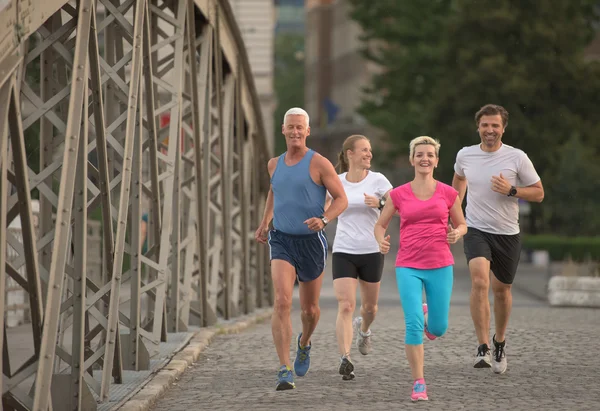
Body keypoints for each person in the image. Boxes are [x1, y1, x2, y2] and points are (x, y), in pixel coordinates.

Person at [254, 107, 348, 391]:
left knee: (310, 310)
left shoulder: (319, 163)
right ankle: (284, 369)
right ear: (283, 130)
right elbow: (275, 190)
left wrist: (324, 219)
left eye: (300, 128)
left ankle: (304, 342)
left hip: (311, 242)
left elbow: (341, 198)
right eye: (290, 127)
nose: (295, 132)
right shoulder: (274, 164)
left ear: (307, 132)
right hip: (282, 239)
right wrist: (265, 221)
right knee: (282, 301)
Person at [452, 104, 544, 374]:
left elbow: (539, 193)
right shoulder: (465, 155)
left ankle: (499, 341)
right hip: (476, 229)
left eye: (495, 125)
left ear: (503, 128)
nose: (489, 130)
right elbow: (459, 180)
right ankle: (482, 345)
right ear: (477, 127)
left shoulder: (517, 158)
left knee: (502, 291)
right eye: (485, 125)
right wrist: (455, 211)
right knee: (479, 281)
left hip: (507, 233)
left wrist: (512, 190)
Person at [375, 136, 467, 402]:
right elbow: (380, 224)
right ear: (411, 159)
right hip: (408, 265)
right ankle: (418, 383)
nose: (424, 159)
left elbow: (462, 224)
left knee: (438, 328)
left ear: (436, 161)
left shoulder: (449, 194)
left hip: (440, 264)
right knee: (413, 325)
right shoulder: (398, 194)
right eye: (419, 155)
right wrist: (381, 241)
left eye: (429, 154)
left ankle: (430, 318)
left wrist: (456, 234)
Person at [326, 135, 392, 381]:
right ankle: (345, 358)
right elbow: (325, 209)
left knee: (370, 308)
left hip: (372, 250)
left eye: (370, 150)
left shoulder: (378, 180)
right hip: (344, 249)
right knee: (345, 304)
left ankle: (364, 330)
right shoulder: (337, 182)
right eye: (364, 150)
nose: (369, 154)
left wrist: (380, 202)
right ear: (349, 154)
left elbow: (398, 204)